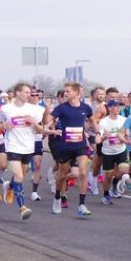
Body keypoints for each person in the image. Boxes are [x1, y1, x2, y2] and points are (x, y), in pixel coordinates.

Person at [0, 82, 48, 221]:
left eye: (30, 93)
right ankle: (22, 208)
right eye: (26, 92)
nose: (29, 95)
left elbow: (40, 130)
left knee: (22, 175)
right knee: (19, 176)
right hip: (12, 146)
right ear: (17, 93)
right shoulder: (6, 108)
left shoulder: (35, 109)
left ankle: (9, 186)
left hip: (28, 147)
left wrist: (33, 122)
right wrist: (4, 125)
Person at [47, 82, 96, 217]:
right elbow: (49, 119)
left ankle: (81, 205)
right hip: (65, 147)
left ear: (76, 93)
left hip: (80, 145)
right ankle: (57, 197)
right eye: (65, 91)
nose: (65, 93)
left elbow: (92, 120)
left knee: (83, 173)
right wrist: (48, 125)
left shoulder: (86, 108)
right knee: (62, 174)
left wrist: (96, 133)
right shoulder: (62, 108)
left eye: (68, 91)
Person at [97, 99, 131, 205]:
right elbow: (98, 140)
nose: (117, 108)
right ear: (109, 108)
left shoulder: (124, 120)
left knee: (124, 170)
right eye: (115, 106)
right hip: (108, 152)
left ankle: (116, 185)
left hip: (121, 150)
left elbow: (127, 133)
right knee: (108, 176)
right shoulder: (103, 122)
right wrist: (104, 136)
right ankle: (106, 194)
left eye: (119, 106)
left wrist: (127, 136)